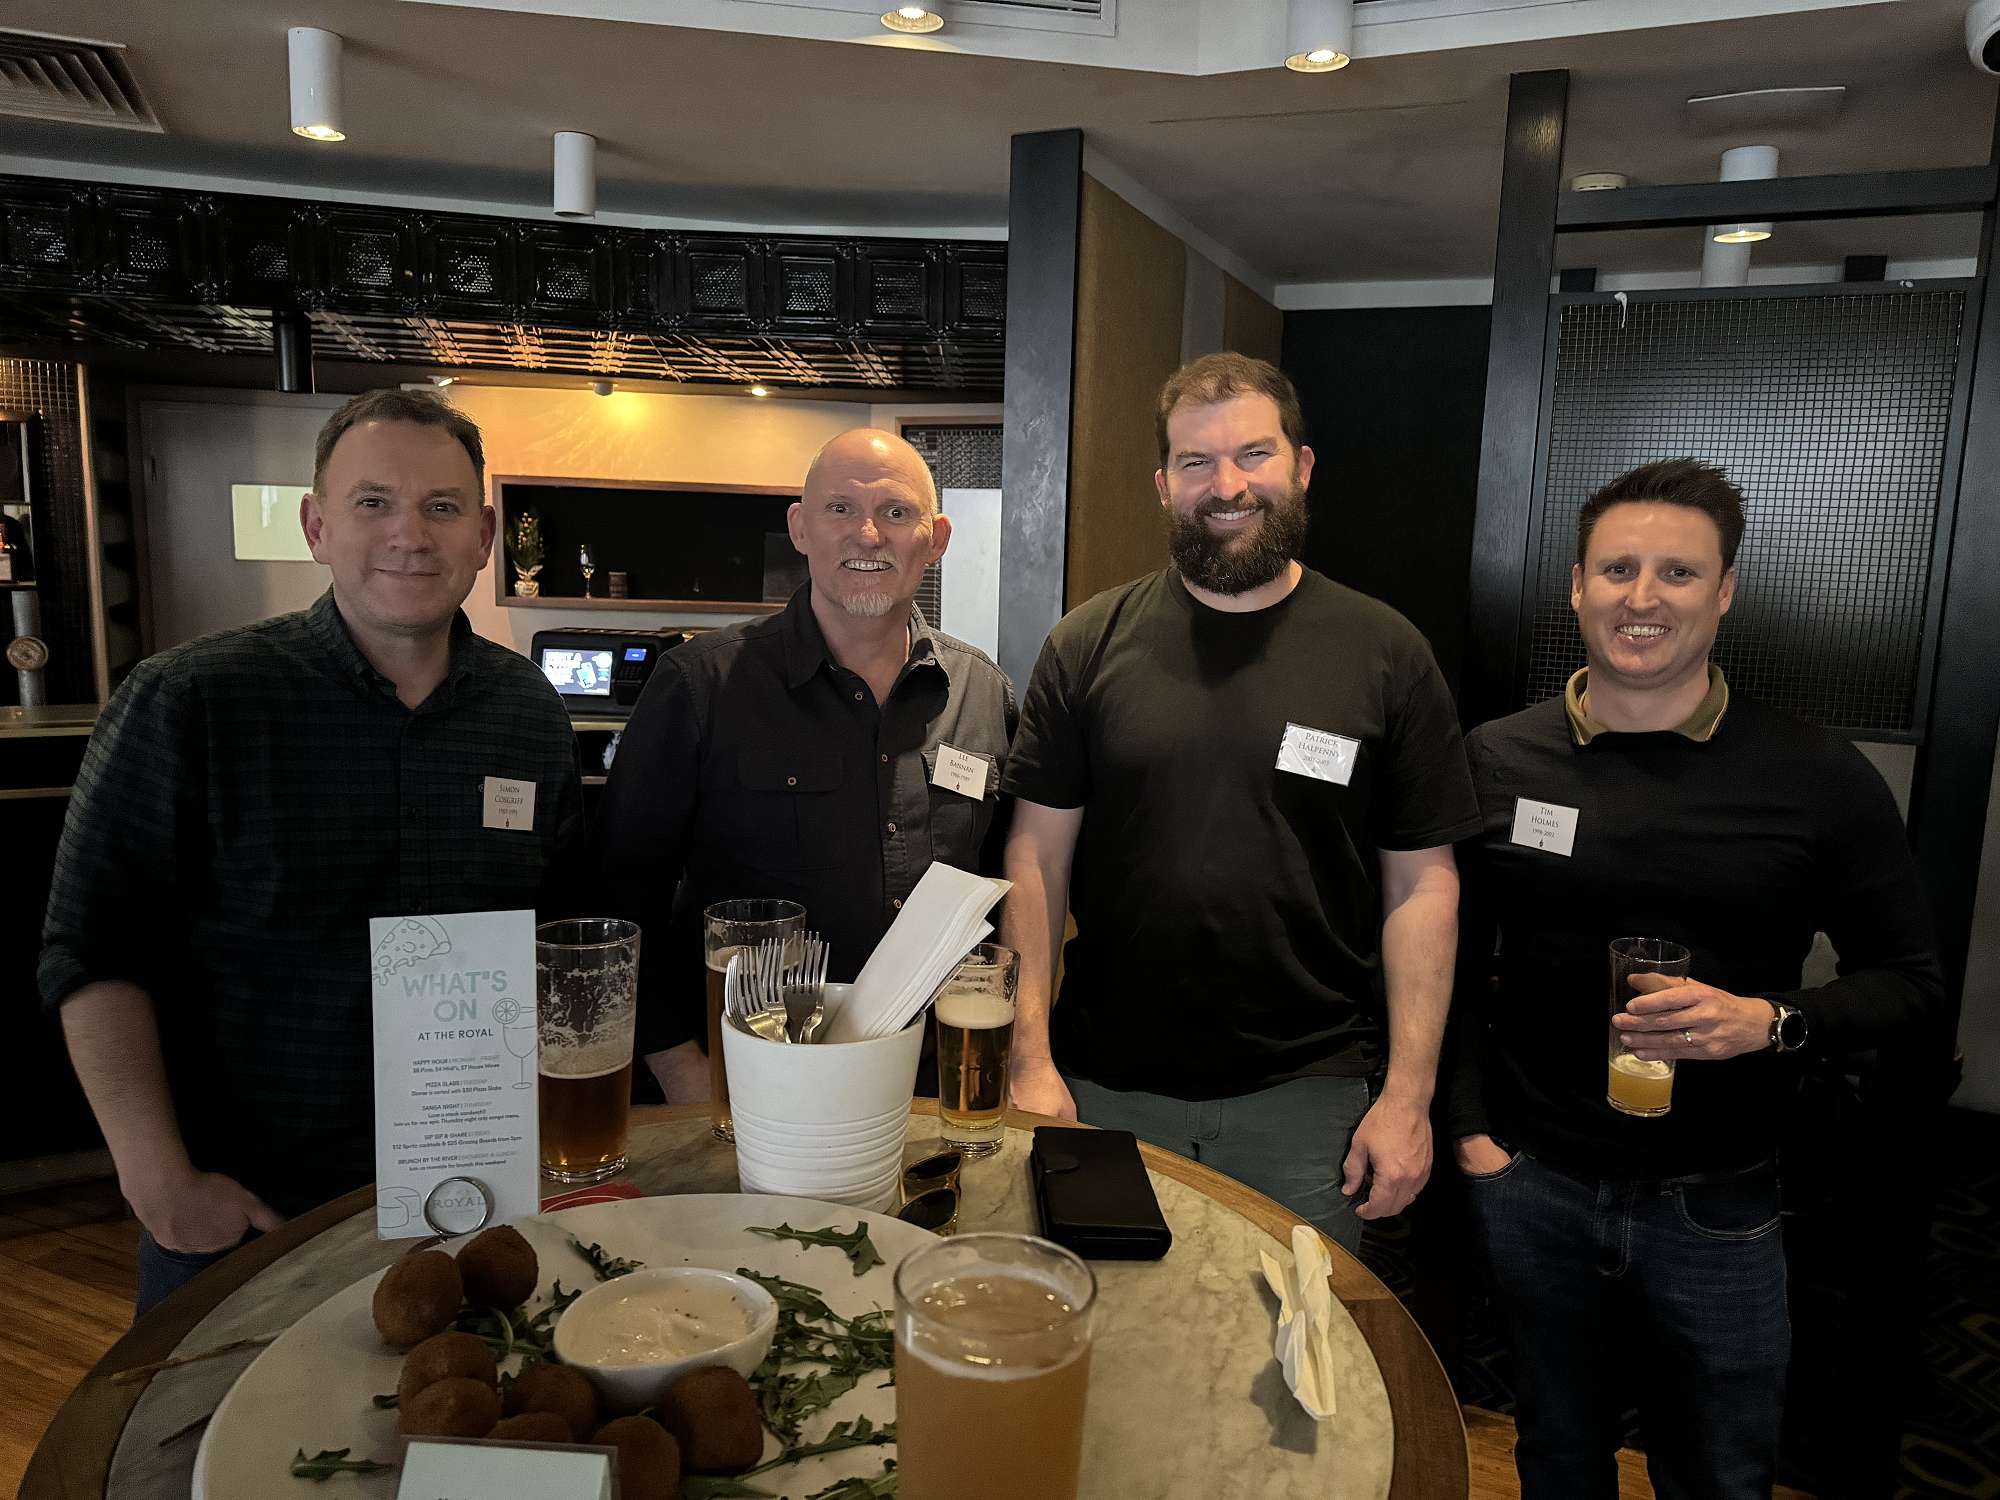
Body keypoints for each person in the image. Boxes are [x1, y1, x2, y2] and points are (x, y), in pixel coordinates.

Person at [1445, 458, 1945, 1499]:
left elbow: (1907, 979)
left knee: (1719, 1473)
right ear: (1576, 587)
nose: (1643, 597)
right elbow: (1438, 967)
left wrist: (1769, 1020)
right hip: (1534, 1183)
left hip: (1719, 1201)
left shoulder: (1814, 775)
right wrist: (1473, 1136)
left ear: (1723, 592)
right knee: (1556, 1453)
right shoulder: (1496, 758)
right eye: (1617, 569)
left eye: (1677, 573)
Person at [40, 388, 581, 1314]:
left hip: (476, 1201)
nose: (410, 535)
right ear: (317, 526)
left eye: (442, 506)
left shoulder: (527, 710)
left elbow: (558, 936)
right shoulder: (191, 699)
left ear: (485, 534)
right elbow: (91, 951)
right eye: (374, 502)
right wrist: (158, 1181)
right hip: (251, 1217)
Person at [999, 353, 1480, 1251]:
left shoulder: (1385, 651)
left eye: (1254, 454)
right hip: (1104, 1086)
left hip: (1308, 1099)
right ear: (1162, 484)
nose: (1227, 486)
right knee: (1107, 1324)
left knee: (1294, 1334)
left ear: (1301, 467)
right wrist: (1029, 1056)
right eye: (1196, 462)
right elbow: (1036, 857)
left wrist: (1408, 1097)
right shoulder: (1085, 644)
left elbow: (1423, 883)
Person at [599, 428, 1015, 1100]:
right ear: (800, 528)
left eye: (896, 512)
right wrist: (680, 1067)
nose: (868, 535)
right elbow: (622, 893)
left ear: (936, 539)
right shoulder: (700, 684)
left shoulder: (983, 692)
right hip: (752, 1078)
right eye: (840, 508)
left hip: (929, 1084)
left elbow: (1000, 890)